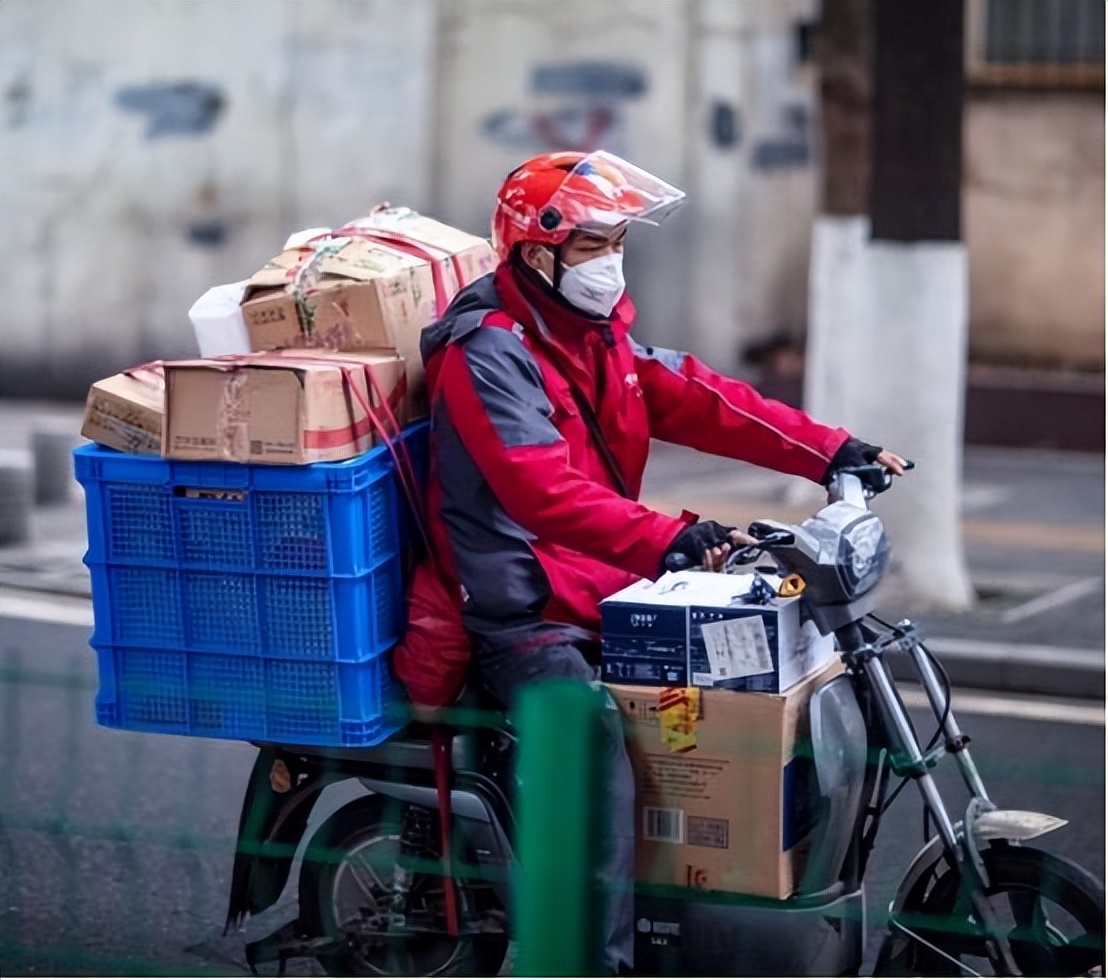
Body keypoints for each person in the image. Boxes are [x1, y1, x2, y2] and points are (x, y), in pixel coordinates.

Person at [393, 150, 906, 973]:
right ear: (537, 255)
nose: (610, 262)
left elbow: (703, 398)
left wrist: (831, 451)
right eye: (591, 246)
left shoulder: (593, 338)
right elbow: (540, 492)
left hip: (600, 580)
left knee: (741, 673)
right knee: (595, 746)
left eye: (617, 242)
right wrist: (668, 538)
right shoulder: (487, 353)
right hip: (519, 605)